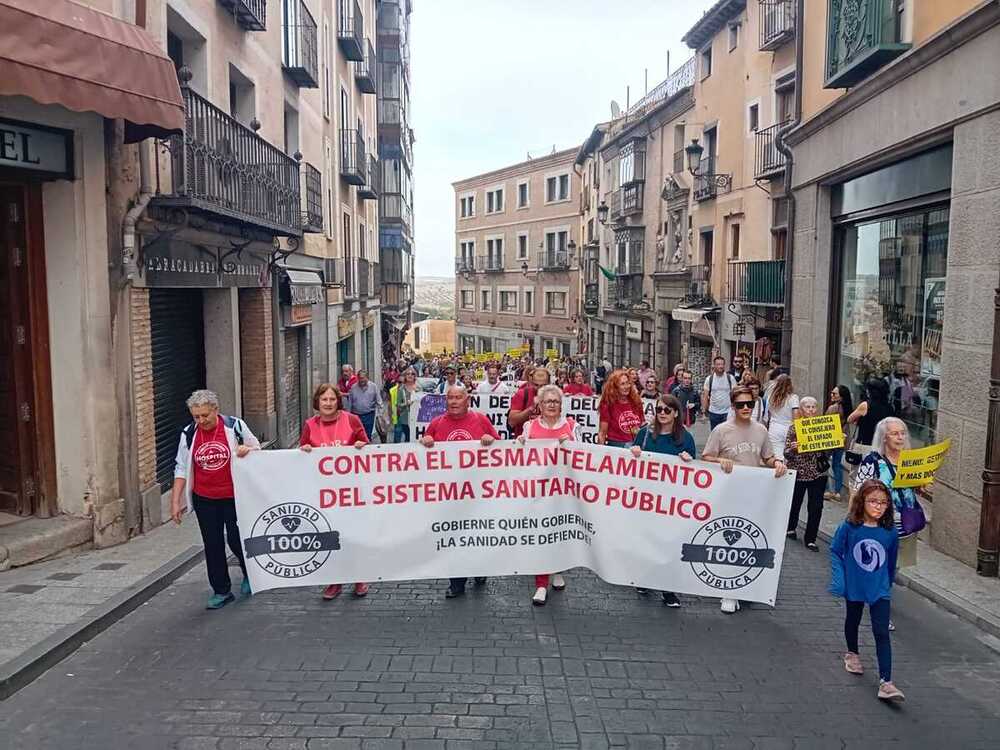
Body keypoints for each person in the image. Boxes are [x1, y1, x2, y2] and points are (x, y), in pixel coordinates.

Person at [169, 389, 261, 610]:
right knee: (212, 544)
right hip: (205, 498)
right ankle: (221, 590)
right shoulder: (189, 433)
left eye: (205, 416)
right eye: (196, 417)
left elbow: (256, 448)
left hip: (234, 496)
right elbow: (181, 467)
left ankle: (249, 571)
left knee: (237, 538)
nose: (201, 421)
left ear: (216, 410)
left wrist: (245, 449)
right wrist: (175, 500)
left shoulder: (234, 426)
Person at [702, 386, 787, 613]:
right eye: (740, 405)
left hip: (755, 493)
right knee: (729, 540)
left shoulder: (760, 430)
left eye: (749, 403)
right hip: (729, 493)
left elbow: (767, 456)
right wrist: (720, 461)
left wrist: (776, 463)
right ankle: (728, 592)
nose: (746, 408)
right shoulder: (721, 430)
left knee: (750, 539)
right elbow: (706, 457)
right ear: (733, 406)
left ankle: (744, 586)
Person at [421, 385, 500, 599]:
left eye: (459, 397)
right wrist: (425, 442)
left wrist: (491, 441)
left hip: (477, 493)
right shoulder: (437, 423)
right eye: (450, 398)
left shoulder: (481, 420)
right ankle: (456, 583)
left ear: (468, 400)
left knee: (476, 534)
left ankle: (479, 569)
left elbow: (502, 450)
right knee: (453, 537)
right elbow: (421, 454)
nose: (454, 401)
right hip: (448, 494)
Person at [829, 479, 904, 702]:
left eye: (883, 502)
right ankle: (852, 653)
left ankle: (886, 682)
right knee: (853, 618)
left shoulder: (890, 532)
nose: (878, 507)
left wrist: (887, 583)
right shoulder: (849, 527)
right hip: (855, 583)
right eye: (873, 501)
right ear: (862, 501)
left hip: (879, 588)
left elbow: (891, 561)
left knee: (881, 631)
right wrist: (840, 579)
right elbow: (835, 551)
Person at [299, 384, 369, 599]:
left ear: (338, 401)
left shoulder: (352, 420)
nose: (328, 403)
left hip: (350, 491)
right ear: (317, 403)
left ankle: (359, 578)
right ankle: (334, 581)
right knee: (329, 536)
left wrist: (361, 446)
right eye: (324, 400)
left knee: (353, 536)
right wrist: (305, 451)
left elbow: (367, 447)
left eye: (332, 399)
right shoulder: (309, 425)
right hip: (324, 493)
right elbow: (300, 456)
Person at [631, 394, 696, 608]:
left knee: (668, 543)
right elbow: (630, 461)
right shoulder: (645, 434)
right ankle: (644, 578)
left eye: (667, 410)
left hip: (672, 500)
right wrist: (634, 451)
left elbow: (694, 471)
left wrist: (689, 460)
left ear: (676, 413)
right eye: (659, 410)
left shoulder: (685, 438)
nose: (662, 414)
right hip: (647, 498)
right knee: (647, 539)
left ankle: (668, 588)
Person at [516, 384, 579, 605]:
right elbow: (517, 459)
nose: (551, 405)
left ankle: (558, 568)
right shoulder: (530, 427)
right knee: (541, 534)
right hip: (538, 491)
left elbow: (585, 458)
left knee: (559, 533)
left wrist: (569, 445)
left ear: (561, 405)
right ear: (539, 405)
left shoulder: (571, 425)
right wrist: (519, 445)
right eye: (547, 402)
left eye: (555, 401)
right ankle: (541, 584)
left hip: (563, 492)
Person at [784, 397, 831, 550]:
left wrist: (837, 440)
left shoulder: (822, 427)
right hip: (798, 472)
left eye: (813, 407)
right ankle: (791, 527)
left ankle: (810, 538)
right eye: (807, 407)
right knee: (795, 502)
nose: (811, 410)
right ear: (802, 410)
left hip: (818, 473)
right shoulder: (794, 428)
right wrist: (793, 448)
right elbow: (786, 453)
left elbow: (829, 451)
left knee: (816, 506)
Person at [597, 369, 645, 448]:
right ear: (615, 387)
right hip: (617, 445)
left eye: (628, 383)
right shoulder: (607, 404)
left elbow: (642, 423)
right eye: (622, 384)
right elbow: (602, 433)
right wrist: (600, 453)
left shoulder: (636, 400)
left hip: (636, 444)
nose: (627, 387)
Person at [826, 385, 854, 500]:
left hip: (831, 439)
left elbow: (826, 423)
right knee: (837, 465)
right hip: (842, 439)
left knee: (823, 464)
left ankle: (828, 490)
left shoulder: (833, 408)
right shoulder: (848, 409)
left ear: (841, 397)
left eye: (834, 394)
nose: (832, 395)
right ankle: (837, 491)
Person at [507, 365, 551, 438]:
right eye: (536, 385)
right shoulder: (522, 394)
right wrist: (530, 409)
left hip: (547, 442)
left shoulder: (554, 395)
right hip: (525, 442)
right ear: (532, 382)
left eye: (543, 386)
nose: (539, 389)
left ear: (549, 383)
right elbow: (512, 421)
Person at [766, 374, 800, 460]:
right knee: (789, 456)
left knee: (777, 456)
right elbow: (796, 416)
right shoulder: (793, 398)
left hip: (774, 428)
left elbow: (769, 414)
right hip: (788, 428)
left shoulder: (770, 397)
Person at [702, 356, 738, 430]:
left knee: (727, 433)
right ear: (714, 365)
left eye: (722, 364)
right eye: (718, 364)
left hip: (728, 412)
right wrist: (704, 412)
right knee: (715, 433)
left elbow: (736, 394)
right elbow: (705, 396)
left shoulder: (730, 378)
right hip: (713, 412)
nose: (720, 366)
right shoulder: (709, 379)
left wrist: (735, 409)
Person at [346, 370, 382, 440]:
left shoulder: (373, 386)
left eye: (363, 378)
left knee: (367, 435)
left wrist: (380, 415)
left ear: (367, 378)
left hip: (369, 415)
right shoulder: (353, 388)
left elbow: (379, 401)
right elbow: (350, 403)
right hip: (356, 415)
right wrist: (348, 415)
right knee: (357, 435)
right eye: (360, 378)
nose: (361, 380)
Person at [390, 368, 419, 443]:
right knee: (408, 437)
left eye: (412, 374)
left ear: (415, 376)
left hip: (416, 417)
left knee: (415, 438)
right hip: (404, 418)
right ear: (405, 376)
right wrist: (406, 404)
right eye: (408, 374)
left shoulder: (419, 388)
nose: (410, 375)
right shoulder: (401, 389)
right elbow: (398, 405)